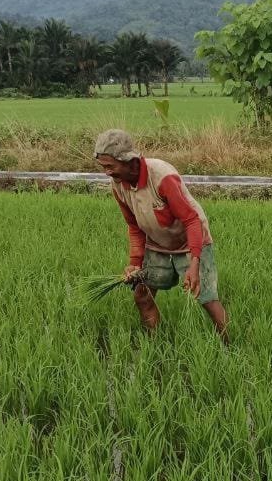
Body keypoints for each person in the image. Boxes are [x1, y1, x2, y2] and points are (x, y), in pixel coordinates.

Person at [94, 128, 228, 341]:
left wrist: (194, 263)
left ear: (128, 161)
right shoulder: (118, 185)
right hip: (157, 244)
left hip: (190, 241)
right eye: (103, 167)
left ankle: (229, 346)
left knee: (206, 298)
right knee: (142, 295)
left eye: (110, 166)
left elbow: (191, 220)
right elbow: (134, 226)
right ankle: (153, 344)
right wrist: (135, 263)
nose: (107, 173)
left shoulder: (162, 176)